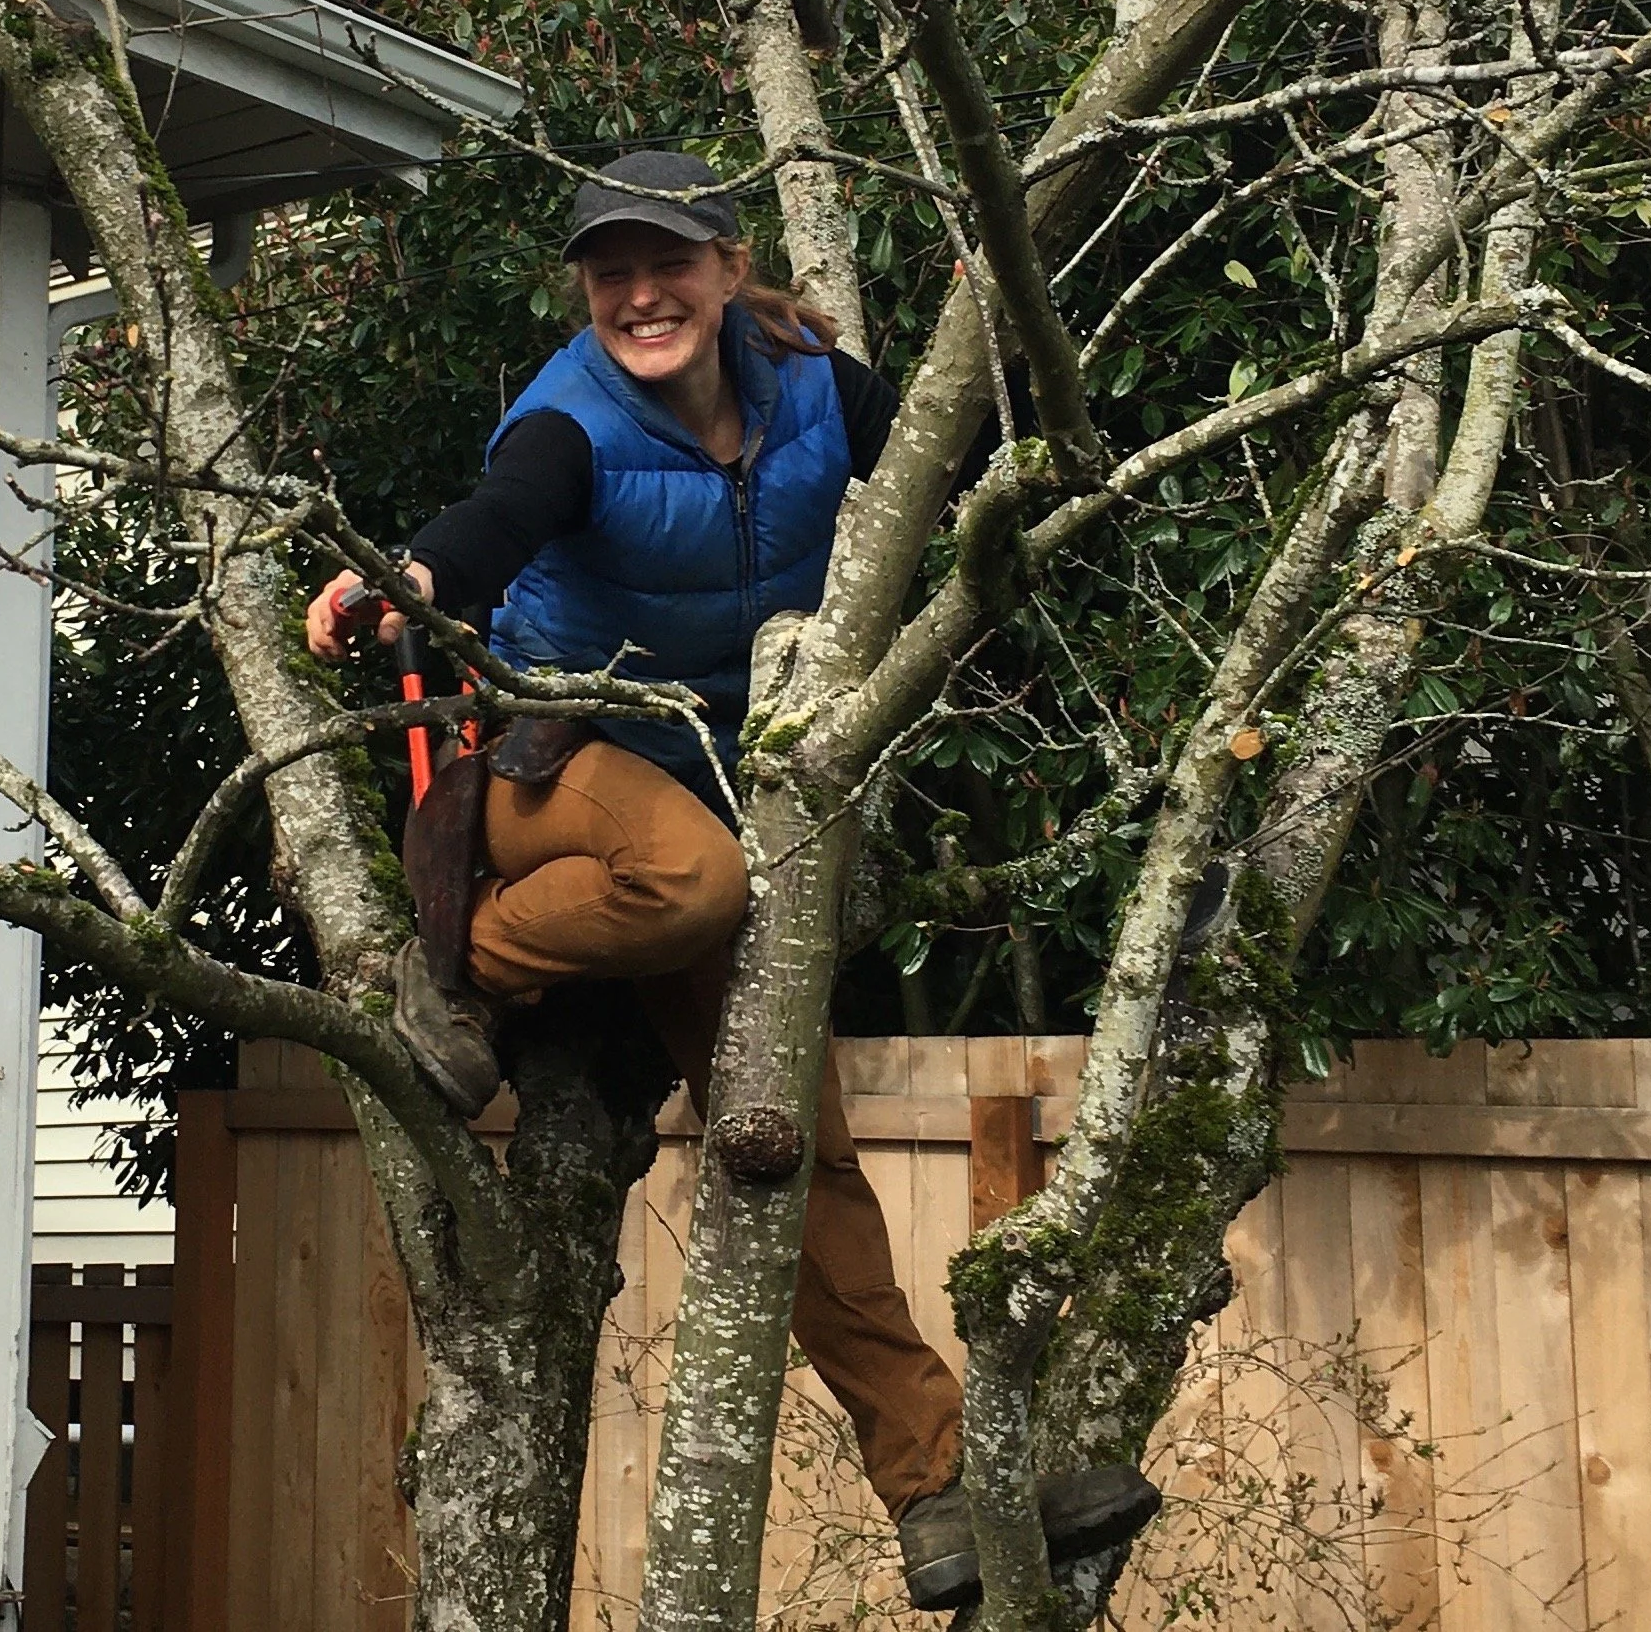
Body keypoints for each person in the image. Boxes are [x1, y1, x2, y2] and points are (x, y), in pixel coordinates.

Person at [305, 150, 1157, 1610]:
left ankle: (936, 1489)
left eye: (667, 263)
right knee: (689, 877)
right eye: (609, 271)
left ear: (724, 261)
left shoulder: (814, 384)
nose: (640, 294)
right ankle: (463, 967)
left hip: (724, 798)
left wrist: (1038, 388)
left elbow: (964, 454)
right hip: (551, 773)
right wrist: (415, 580)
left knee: (793, 1148)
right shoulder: (572, 416)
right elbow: (499, 513)